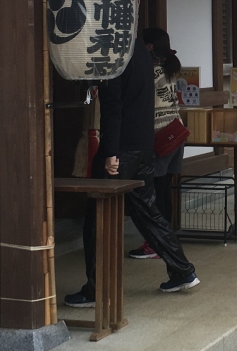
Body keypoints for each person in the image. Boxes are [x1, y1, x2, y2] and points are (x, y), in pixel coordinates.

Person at [65, 39, 199, 306]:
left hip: (120, 148)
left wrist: (111, 152)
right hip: (143, 146)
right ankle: (182, 270)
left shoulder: (115, 55)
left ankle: (97, 288)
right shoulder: (140, 51)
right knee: (148, 212)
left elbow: (113, 108)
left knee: (98, 219)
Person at [129, 27, 184, 260]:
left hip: (160, 137)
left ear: (149, 47)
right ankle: (167, 240)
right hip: (176, 133)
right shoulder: (170, 69)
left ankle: (156, 244)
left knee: (155, 195)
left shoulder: (148, 72)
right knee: (164, 191)